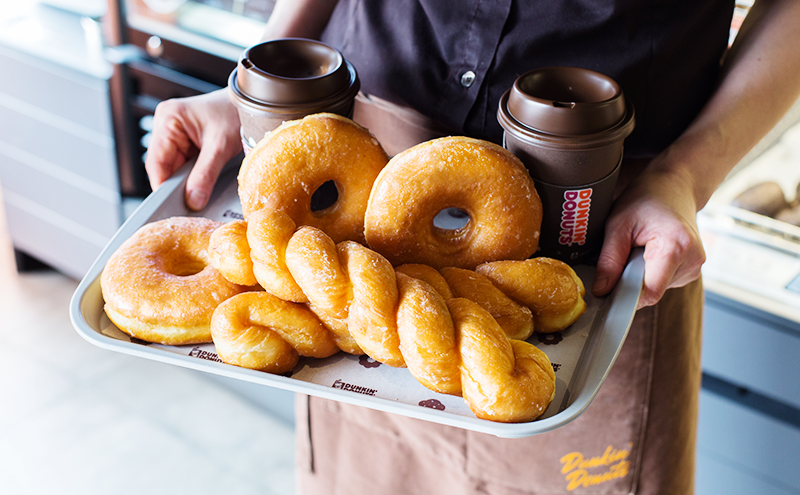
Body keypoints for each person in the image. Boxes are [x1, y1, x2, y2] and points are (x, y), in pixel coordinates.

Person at [144, 1, 800, 493]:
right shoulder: (336, 270)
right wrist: (252, 89)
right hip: (361, 215)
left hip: (602, 227)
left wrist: (686, 174)